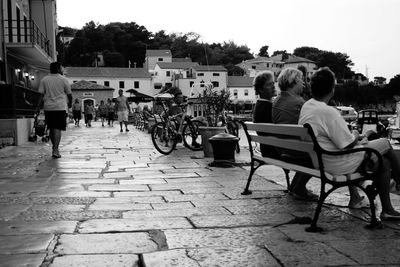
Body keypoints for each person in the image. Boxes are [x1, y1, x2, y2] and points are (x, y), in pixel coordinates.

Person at [299, 67, 400, 220]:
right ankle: (398, 184)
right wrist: (355, 134)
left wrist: (357, 138)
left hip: (322, 159)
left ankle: (387, 209)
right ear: (332, 89)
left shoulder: (307, 106)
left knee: (384, 162)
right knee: (386, 143)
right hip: (337, 163)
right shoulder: (328, 111)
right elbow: (347, 145)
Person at [38, 62, 72, 158]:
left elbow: (40, 95)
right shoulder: (64, 80)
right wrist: (70, 104)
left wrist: (38, 107)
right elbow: (69, 94)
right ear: (58, 69)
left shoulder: (44, 80)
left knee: (52, 128)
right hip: (60, 107)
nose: (62, 70)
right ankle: (55, 149)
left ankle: (54, 147)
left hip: (48, 107)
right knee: (57, 128)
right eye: (61, 68)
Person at [252, 70, 280, 159]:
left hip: (266, 150)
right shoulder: (269, 107)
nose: (273, 87)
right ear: (260, 89)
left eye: (273, 83)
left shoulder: (259, 106)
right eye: (269, 84)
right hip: (275, 152)